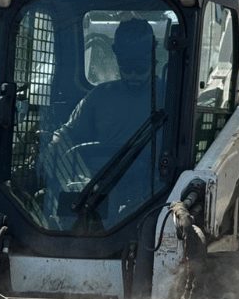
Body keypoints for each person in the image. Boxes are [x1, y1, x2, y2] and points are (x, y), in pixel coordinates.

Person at [42, 18, 163, 228]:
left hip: (151, 189)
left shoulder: (168, 96)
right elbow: (66, 134)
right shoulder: (99, 97)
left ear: (153, 58)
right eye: (127, 66)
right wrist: (51, 151)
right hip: (99, 183)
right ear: (117, 57)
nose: (133, 74)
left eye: (140, 67)